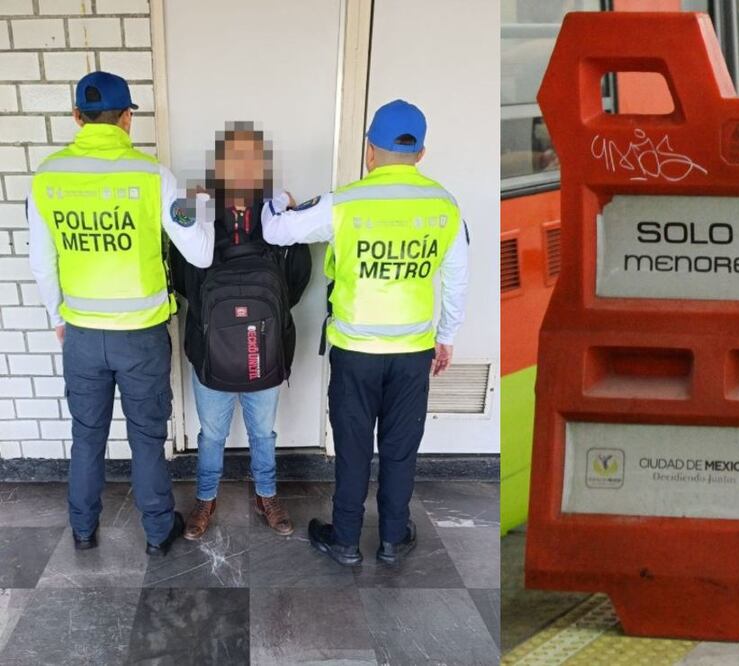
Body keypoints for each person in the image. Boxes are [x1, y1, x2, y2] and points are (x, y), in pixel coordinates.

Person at [261, 99, 468, 566]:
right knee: (400, 448)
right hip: (414, 351)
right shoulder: (443, 205)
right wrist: (447, 335)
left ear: (370, 151)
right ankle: (394, 537)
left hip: (355, 352)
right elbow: (458, 276)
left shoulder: (345, 203)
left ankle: (346, 540)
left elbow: (275, 233)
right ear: (420, 153)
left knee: (353, 447)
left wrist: (280, 202)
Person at [27, 71, 215, 555]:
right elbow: (200, 253)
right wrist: (204, 207)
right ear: (128, 117)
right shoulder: (153, 177)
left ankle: (83, 530)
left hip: (83, 335)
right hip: (141, 337)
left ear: (76, 117)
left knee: (86, 437)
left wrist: (59, 318)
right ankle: (157, 533)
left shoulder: (47, 177)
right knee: (147, 438)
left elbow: (41, 262)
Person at [170, 123, 311, 540]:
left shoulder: (276, 212)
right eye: (235, 158)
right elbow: (179, 273)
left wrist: (264, 317)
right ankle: (205, 498)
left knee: (263, 432)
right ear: (219, 165)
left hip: (263, 346)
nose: (245, 167)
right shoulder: (196, 207)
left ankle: (266, 494)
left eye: (253, 158)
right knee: (211, 433)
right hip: (210, 345)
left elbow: (298, 274)